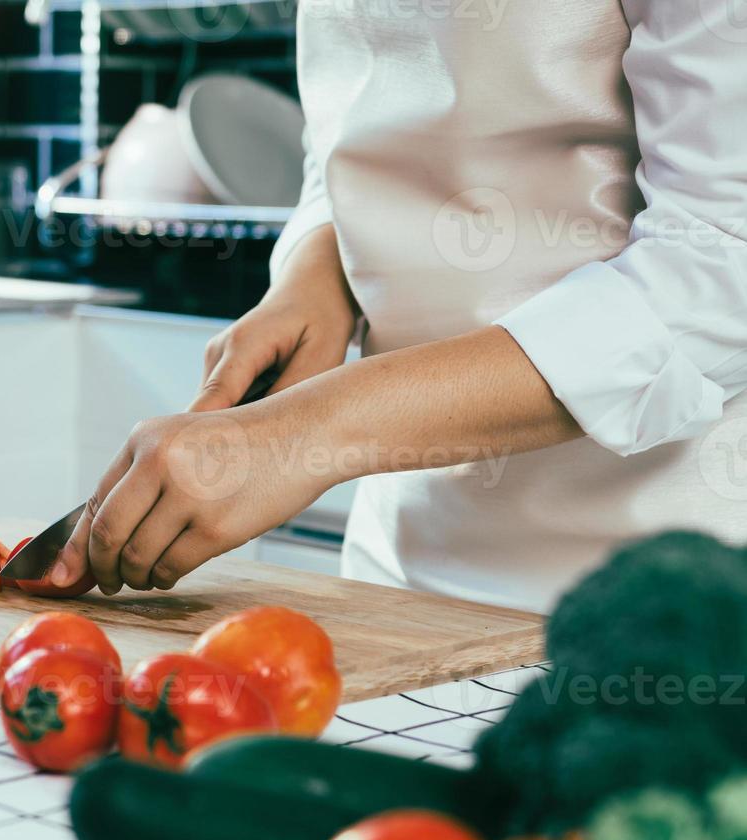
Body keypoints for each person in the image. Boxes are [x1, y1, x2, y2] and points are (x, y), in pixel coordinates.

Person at [48, 1, 747, 613]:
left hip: (660, 583)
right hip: (398, 569)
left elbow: (720, 260)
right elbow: (353, 129)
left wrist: (312, 433)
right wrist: (315, 272)